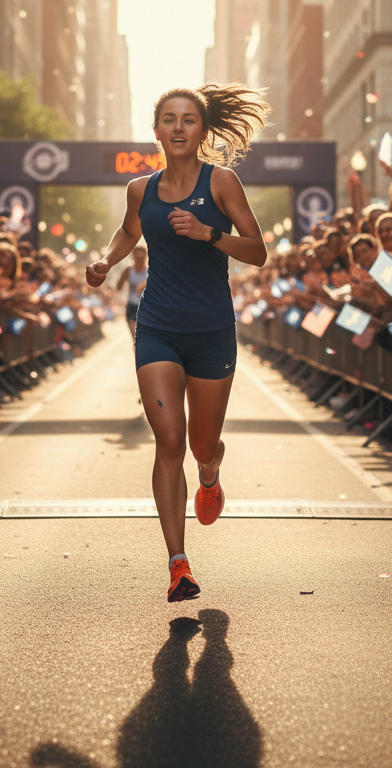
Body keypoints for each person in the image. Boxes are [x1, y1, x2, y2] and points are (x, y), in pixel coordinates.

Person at [86, 83, 269, 603]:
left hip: (212, 331)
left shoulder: (222, 183)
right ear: (157, 129)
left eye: (189, 119)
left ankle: (210, 472)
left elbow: (257, 252)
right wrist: (106, 261)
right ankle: (178, 564)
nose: (179, 127)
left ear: (203, 130)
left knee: (199, 445)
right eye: (169, 118)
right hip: (159, 326)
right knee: (168, 442)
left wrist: (208, 234)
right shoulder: (140, 190)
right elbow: (127, 232)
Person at [116, 244, 148, 339]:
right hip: (132, 306)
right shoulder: (129, 271)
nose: (140, 260)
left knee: (144, 337)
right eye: (137, 257)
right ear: (133, 257)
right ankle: (137, 351)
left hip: (146, 307)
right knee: (135, 338)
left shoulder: (150, 272)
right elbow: (119, 287)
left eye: (142, 257)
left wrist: (145, 286)